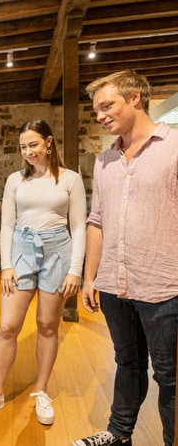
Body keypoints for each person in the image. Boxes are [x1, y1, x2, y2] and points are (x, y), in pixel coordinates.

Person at [73, 71, 178, 446]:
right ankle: (119, 434)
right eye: (97, 109)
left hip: (165, 284)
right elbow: (96, 220)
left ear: (135, 98)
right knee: (127, 362)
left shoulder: (175, 146)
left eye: (107, 105)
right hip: (115, 284)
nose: (100, 115)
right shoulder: (105, 160)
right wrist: (89, 277)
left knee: (170, 375)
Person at [0, 119, 86, 425]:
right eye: (24, 147)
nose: (28, 152)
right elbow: (7, 224)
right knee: (8, 326)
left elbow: (78, 226)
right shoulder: (14, 180)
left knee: (48, 324)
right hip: (22, 249)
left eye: (33, 144)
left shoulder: (70, 179)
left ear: (49, 143)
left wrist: (76, 269)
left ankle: (41, 391)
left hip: (57, 250)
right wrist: (6, 265)